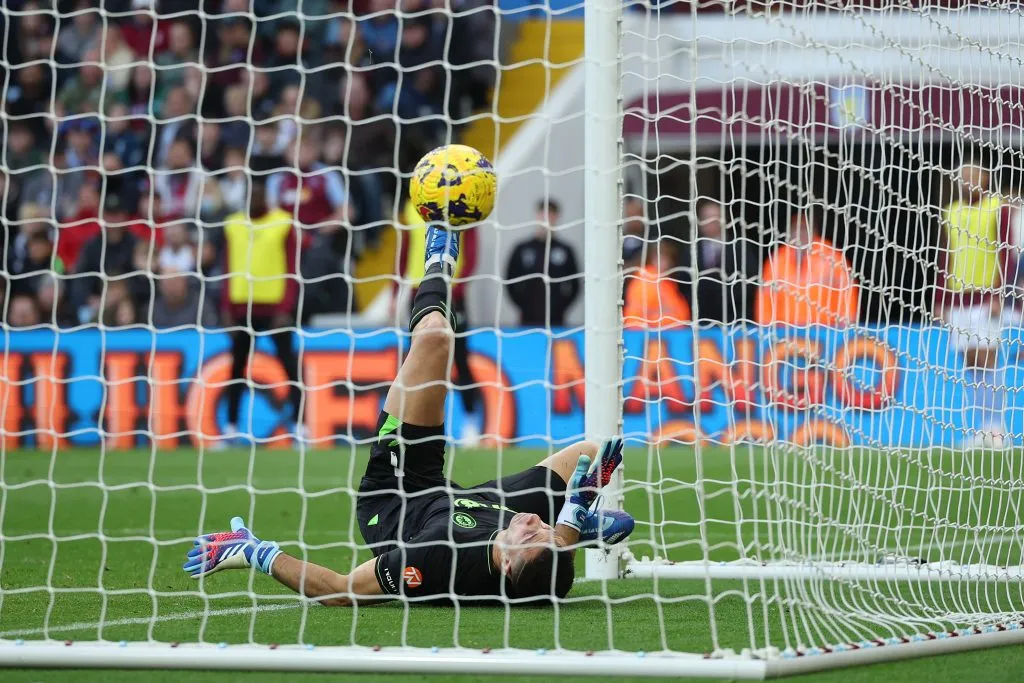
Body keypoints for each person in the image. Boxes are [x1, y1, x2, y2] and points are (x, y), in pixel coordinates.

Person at [184, 223, 635, 604]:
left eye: (534, 536)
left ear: (510, 566)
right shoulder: (526, 547)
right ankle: (580, 524)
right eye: (545, 532)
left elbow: (340, 590)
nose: (535, 524)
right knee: (592, 452)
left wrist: (256, 553)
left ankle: (437, 260)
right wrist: (568, 526)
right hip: (478, 508)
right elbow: (544, 549)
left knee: (436, 337)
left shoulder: (436, 560)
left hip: (402, 493)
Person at [938, 160, 1020, 449]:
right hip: (958, 297)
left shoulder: (998, 208)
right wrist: (940, 299)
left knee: (988, 357)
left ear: (985, 179)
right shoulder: (952, 212)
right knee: (969, 360)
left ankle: (997, 428)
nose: (967, 181)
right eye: (962, 176)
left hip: (986, 295)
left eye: (972, 175)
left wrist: (1002, 294)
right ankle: (983, 428)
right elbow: (943, 257)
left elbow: (1007, 252)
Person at [220, 175, 304, 445]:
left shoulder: (284, 222)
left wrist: (286, 307)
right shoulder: (233, 225)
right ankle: (231, 426)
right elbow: (226, 268)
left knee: (290, 367)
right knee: (237, 368)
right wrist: (226, 308)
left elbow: (293, 268)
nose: (254, 199)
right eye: (250, 194)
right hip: (241, 308)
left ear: (266, 196)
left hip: (275, 309)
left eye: (258, 193)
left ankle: (302, 425)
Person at [401, 197, 483, 445]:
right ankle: (412, 428)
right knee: (416, 363)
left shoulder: (463, 206)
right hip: (418, 293)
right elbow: (405, 251)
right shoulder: (410, 208)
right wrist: (397, 289)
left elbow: (470, 253)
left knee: (461, 361)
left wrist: (457, 286)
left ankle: (471, 425)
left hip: (452, 294)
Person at [755, 209, 859, 328]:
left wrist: (847, 323)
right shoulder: (778, 259)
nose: (800, 234)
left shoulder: (832, 257)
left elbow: (848, 292)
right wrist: (765, 326)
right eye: (796, 229)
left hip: (825, 331)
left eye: (804, 229)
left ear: (813, 232)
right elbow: (765, 298)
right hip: (785, 332)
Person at [505, 198, 581, 327]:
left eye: (551, 214)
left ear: (556, 217)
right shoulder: (522, 249)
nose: (546, 218)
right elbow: (509, 281)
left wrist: (561, 306)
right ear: (537, 215)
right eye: (543, 214)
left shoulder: (565, 250)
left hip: (557, 320)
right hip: (527, 319)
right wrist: (523, 305)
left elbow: (575, 285)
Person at [683, 198, 759, 324]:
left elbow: (750, 279)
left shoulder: (739, 246)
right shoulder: (691, 249)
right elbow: (684, 282)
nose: (711, 222)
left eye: (715, 217)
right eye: (706, 218)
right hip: (701, 320)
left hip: (736, 319)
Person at [623, 240, 692, 329]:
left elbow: (680, 314)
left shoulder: (667, 282)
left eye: (670, 258)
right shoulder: (645, 281)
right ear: (653, 258)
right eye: (663, 257)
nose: (669, 263)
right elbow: (635, 317)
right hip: (646, 339)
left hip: (671, 337)